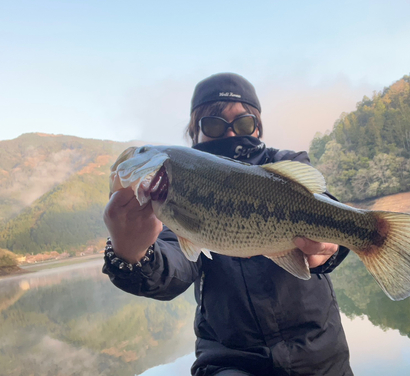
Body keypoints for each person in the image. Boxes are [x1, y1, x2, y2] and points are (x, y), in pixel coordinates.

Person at [103, 73, 353, 376]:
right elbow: (174, 267)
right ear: (195, 133)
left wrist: (330, 248)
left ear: (257, 126)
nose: (231, 134)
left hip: (320, 357)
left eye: (244, 123)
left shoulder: (288, 161)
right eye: (213, 124)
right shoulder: (171, 192)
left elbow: (323, 206)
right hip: (229, 363)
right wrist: (132, 253)